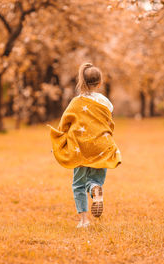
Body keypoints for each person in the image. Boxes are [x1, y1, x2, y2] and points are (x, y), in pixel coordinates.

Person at [48, 63, 122, 228]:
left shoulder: (76, 102)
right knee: (95, 179)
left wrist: (59, 143)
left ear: (82, 81)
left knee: (78, 184)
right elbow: (108, 121)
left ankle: (84, 220)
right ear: (100, 83)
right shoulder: (106, 102)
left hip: (80, 147)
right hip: (102, 145)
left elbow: (63, 125)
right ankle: (95, 188)